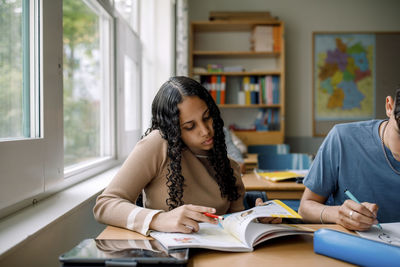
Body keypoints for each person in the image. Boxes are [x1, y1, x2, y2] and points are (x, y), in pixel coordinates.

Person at [94, 76, 280, 236]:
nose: (206, 131)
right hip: (166, 257)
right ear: (173, 130)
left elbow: (233, 227)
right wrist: (159, 219)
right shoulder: (159, 143)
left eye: (207, 117)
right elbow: (105, 205)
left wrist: (256, 220)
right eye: (190, 126)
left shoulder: (229, 166)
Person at [299, 88, 400, 231]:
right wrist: (337, 214)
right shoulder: (342, 138)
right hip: (352, 247)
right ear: (389, 106)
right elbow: (305, 207)